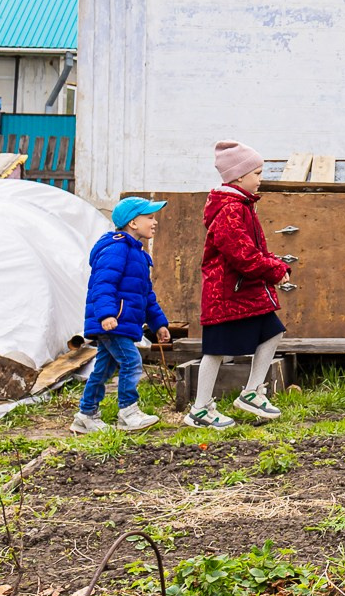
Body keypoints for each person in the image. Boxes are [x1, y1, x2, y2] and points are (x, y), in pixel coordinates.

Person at [186, 141, 293, 430]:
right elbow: (243, 255)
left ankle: (251, 392)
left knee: (272, 333)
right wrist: (274, 270)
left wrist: (277, 267)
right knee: (216, 351)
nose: (260, 179)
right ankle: (200, 409)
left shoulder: (242, 207)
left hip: (242, 292)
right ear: (238, 177)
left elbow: (256, 248)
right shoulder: (230, 211)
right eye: (257, 173)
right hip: (227, 294)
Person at [71, 196, 172, 434]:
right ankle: (128, 412)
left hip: (121, 322)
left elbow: (145, 295)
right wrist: (106, 314)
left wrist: (159, 323)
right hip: (113, 322)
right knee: (131, 361)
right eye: (149, 217)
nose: (154, 222)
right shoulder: (117, 247)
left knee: (103, 370)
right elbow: (103, 284)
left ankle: (86, 416)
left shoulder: (138, 254)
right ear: (132, 223)